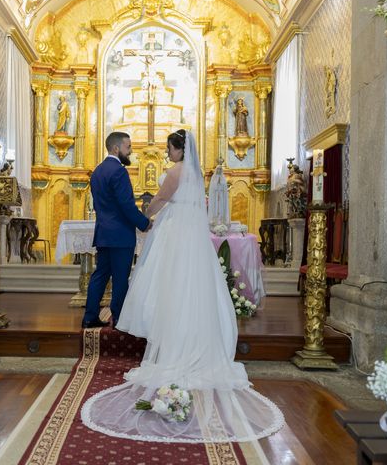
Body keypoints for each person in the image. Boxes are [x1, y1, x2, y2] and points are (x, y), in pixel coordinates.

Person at [81, 129, 284, 443]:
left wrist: (146, 218)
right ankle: (186, 329)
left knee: (159, 279)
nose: (166, 153)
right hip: (186, 234)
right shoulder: (193, 173)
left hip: (167, 231)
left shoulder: (166, 171)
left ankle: (144, 329)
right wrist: (141, 220)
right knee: (185, 283)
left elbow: (161, 199)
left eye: (169, 148)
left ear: (179, 149)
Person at [81, 132, 151, 329]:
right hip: (120, 235)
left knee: (100, 275)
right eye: (128, 147)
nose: (131, 151)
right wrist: (144, 223)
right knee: (120, 278)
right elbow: (127, 205)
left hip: (104, 232)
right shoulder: (119, 172)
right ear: (116, 148)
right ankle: (120, 319)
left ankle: (89, 317)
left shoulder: (97, 171)